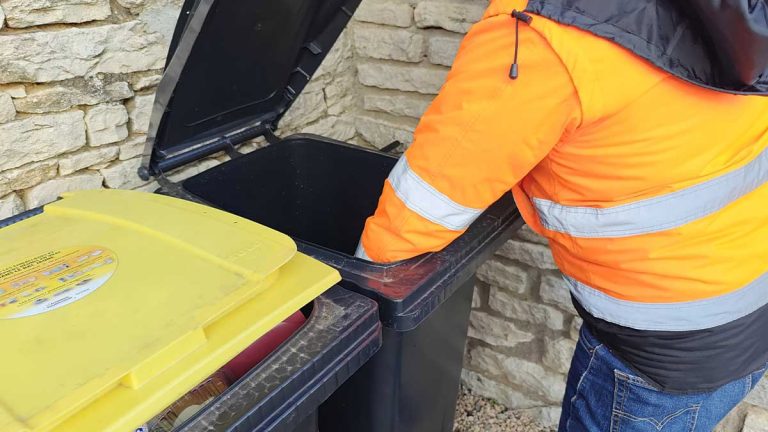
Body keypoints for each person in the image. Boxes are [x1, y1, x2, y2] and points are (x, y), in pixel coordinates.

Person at [354, 0, 768, 430]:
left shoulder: (540, 35)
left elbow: (416, 216)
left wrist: (353, 294)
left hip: (664, 348)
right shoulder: (736, 13)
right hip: (751, 301)